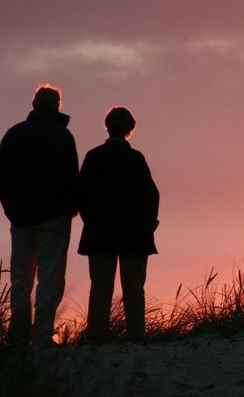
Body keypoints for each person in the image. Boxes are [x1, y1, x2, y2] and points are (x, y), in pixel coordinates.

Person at [0, 84, 79, 347]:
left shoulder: (14, 134)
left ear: (33, 105)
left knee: (20, 276)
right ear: (57, 106)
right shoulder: (62, 136)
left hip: (19, 218)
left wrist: (11, 207)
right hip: (53, 218)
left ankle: (18, 334)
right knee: (50, 275)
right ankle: (42, 334)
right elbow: (70, 177)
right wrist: (68, 208)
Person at [78, 106, 159, 342]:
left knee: (101, 285)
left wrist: (90, 219)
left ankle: (97, 335)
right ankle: (136, 335)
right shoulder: (136, 159)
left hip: (99, 232)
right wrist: (149, 224)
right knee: (134, 286)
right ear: (130, 129)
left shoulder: (93, 157)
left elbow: (81, 194)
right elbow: (151, 195)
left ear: (107, 126)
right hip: (134, 233)